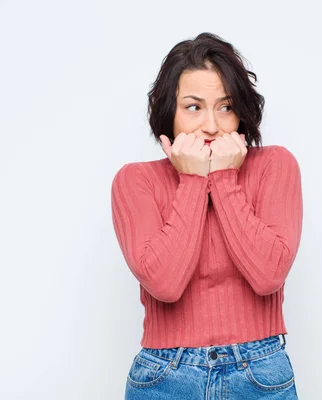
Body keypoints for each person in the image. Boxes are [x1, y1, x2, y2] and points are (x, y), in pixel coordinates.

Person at [111, 32, 303, 399]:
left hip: (260, 374)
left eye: (226, 107)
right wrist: (194, 180)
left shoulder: (275, 165)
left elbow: (269, 275)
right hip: (166, 376)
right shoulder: (135, 181)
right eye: (194, 107)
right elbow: (165, 283)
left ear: (242, 113)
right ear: (169, 112)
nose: (212, 126)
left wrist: (224, 179)